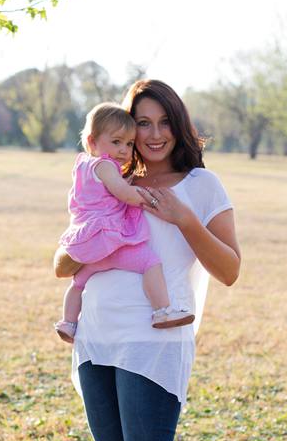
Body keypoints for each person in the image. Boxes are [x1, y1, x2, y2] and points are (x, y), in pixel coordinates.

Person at [55, 79, 240, 441]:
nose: (152, 134)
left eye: (163, 122)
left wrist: (184, 218)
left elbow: (230, 269)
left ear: (179, 126)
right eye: (142, 123)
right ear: (124, 130)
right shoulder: (112, 181)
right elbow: (65, 260)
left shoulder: (202, 186)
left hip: (154, 344)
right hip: (97, 339)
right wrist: (85, 241)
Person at [53, 103, 194, 344]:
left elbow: (100, 191)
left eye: (129, 144)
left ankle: (68, 322)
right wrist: (149, 196)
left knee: (78, 283)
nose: (123, 150)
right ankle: (162, 311)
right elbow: (123, 194)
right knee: (150, 262)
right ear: (92, 141)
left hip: (90, 246)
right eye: (116, 142)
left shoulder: (82, 166)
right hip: (111, 240)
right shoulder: (105, 165)